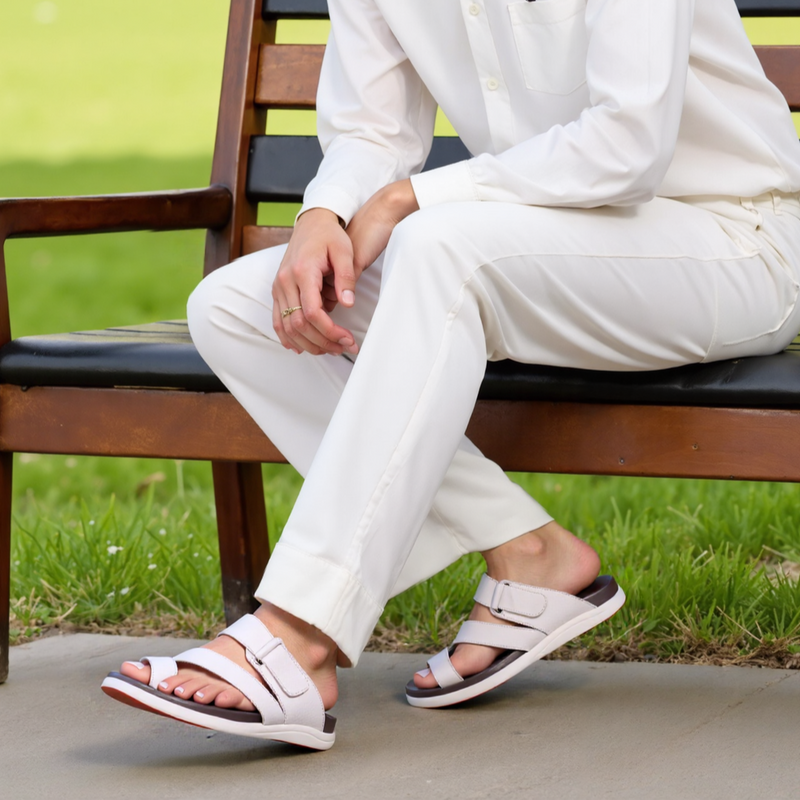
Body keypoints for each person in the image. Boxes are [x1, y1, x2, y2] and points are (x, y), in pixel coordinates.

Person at [102, 0, 800, 750]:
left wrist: (413, 195)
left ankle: (300, 631)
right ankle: (529, 551)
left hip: (731, 240)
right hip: (538, 238)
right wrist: (323, 217)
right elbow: (374, 127)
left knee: (439, 248)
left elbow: (628, 145)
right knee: (237, 305)